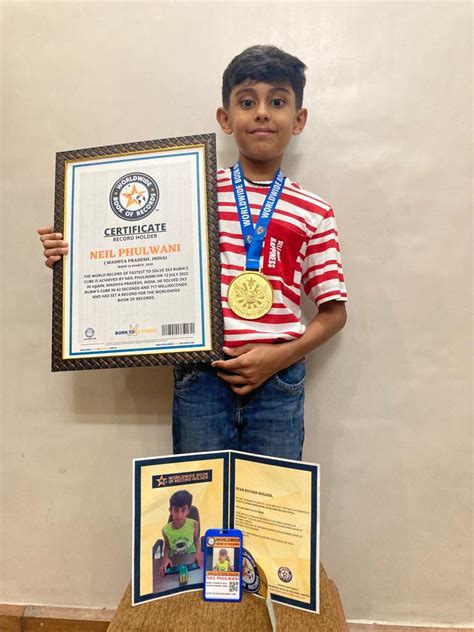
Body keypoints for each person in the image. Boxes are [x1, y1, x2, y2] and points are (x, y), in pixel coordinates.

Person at [37, 45, 347, 461]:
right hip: (201, 377)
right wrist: (72, 252)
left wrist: (279, 358)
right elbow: (130, 244)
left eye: (277, 101)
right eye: (247, 102)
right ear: (225, 118)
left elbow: (334, 312)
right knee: (198, 492)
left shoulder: (313, 211)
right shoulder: (190, 190)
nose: (261, 113)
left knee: (272, 498)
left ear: (299, 119)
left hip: (278, 381)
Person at [159, 490, 202, 575]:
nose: (179, 515)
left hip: (191, 557)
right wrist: (165, 559)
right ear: (170, 510)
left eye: (183, 510)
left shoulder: (194, 524)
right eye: (176, 510)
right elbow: (167, 546)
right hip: (175, 560)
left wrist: (198, 552)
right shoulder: (165, 530)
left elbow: (196, 540)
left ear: (188, 510)